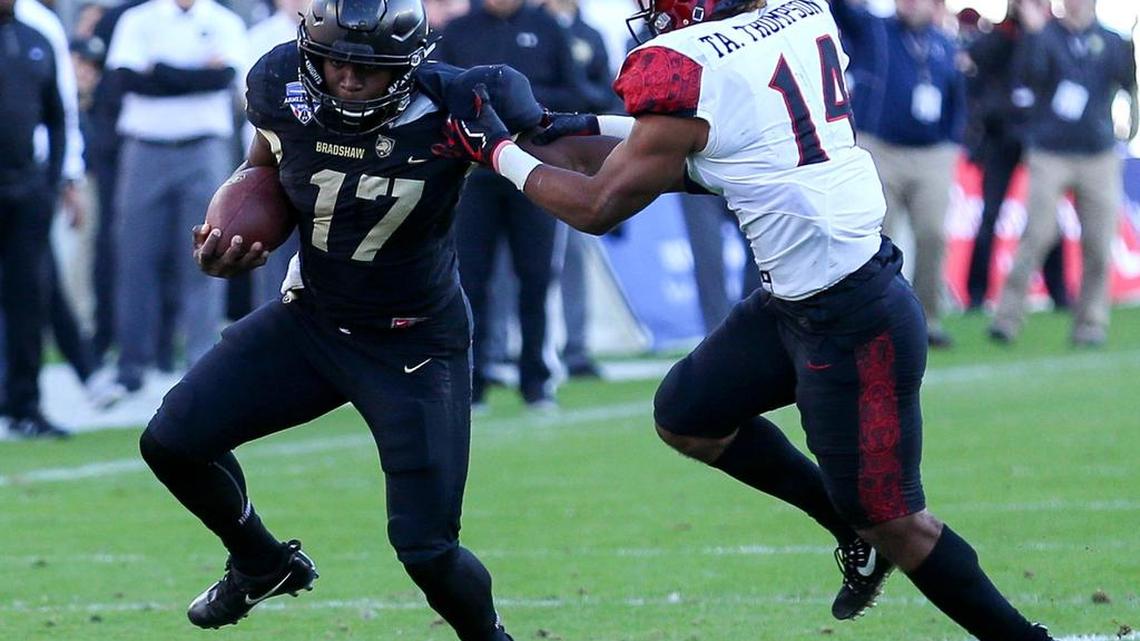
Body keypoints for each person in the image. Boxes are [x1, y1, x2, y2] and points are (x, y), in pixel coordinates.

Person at [436, 0, 1058, 638]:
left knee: (897, 522)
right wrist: (562, 124)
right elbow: (727, 141)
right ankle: (848, 528)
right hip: (797, 297)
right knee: (688, 415)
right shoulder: (802, 17)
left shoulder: (693, 64)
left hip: (854, 319)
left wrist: (499, 153)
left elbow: (599, 205)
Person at [137, 0, 544, 637]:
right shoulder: (279, 84)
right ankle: (259, 561)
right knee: (171, 442)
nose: (347, 79)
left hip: (413, 344)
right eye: (332, 62)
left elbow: (563, 145)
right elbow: (263, 165)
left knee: (428, 552)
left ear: (407, 65)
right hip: (315, 322)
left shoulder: (456, 102)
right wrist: (237, 238)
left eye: (367, 68)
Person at [435, 0, 603, 408]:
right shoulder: (457, 32)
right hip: (474, 175)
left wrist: (520, 103)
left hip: (536, 170)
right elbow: (436, 95)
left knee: (537, 276)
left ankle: (537, 379)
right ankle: (471, 380)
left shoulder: (547, 27)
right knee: (470, 278)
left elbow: (577, 92)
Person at [94, 0, 246, 405]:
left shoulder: (223, 21)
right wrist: (197, 73)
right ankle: (131, 366)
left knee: (207, 251)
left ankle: (200, 362)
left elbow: (226, 78)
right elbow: (127, 79)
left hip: (204, 147)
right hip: (145, 147)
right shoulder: (138, 19)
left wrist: (160, 69)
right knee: (134, 255)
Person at [990, 0, 1138, 347]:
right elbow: (1028, 77)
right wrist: (1032, 33)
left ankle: (1091, 323)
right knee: (1037, 234)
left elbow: (1128, 86)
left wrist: (1129, 131)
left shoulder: (1112, 41)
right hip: (1050, 152)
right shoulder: (1046, 35)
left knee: (1100, 242)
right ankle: (1007, 317)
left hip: (1098, 153)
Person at [831, 0, 967, 348]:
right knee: (878, 238)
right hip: (882, 149)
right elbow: (841, 10)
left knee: (933, 234)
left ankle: (928, 319)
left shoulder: (944, 42)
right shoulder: (875, 29)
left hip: (932, 153)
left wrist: (953, 142)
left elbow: (957, 97)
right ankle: (873, 321)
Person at [963, 0, 1067, 312]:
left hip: (1038, 137)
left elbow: (1053, 71)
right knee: (990, 215)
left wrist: (1037, 33)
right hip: (1001, 136)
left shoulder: (1051, 38)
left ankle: (1059, 291)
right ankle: (977, 294)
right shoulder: (1000, 36)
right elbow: (978, 63)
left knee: (1049, 217)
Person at [0, 0, 70, 438]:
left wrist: (52, 179)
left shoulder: (36, 39)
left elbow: (58, 118)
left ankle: (25, 404)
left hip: (25, 192)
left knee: (28, 301)